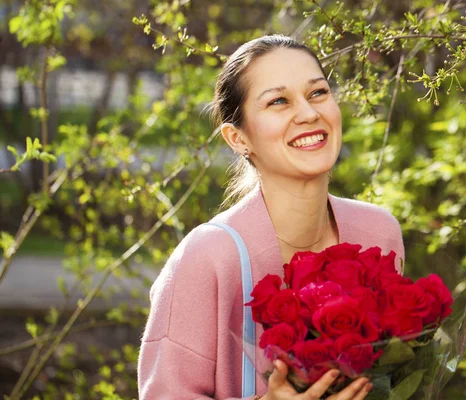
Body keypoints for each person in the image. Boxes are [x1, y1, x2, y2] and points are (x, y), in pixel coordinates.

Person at [137, 34, 405, 400]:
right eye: (279, 101)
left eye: (318, 93)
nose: (309, 113)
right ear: (237, 138)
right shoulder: (207, 257)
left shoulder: (379, 233)